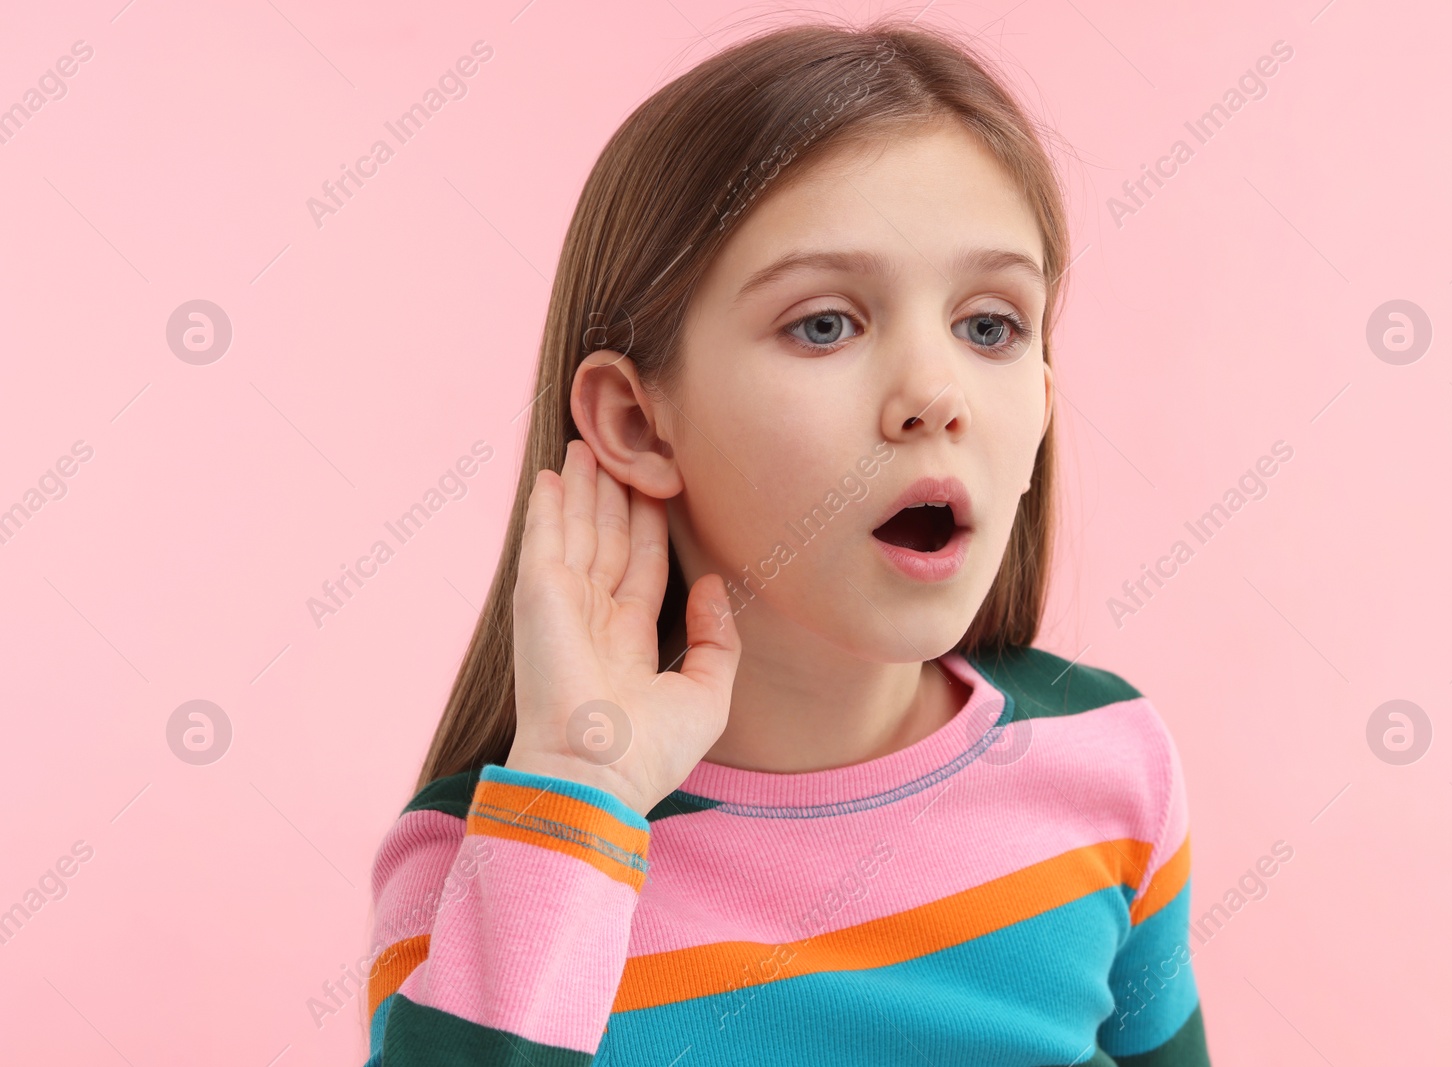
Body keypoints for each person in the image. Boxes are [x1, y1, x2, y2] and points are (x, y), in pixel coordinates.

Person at [361, 18, 1210, 1065]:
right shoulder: (485, 872)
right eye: (824, 323)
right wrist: (580, 795)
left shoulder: (1109, 756)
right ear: (635, 423)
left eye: (989, 325)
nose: (934, 394)